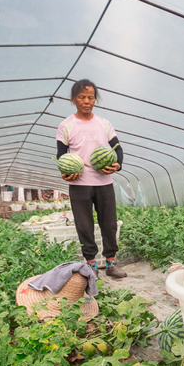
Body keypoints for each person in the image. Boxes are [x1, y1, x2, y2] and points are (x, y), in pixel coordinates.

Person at [57, 79, 127, 279]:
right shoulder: (66, 125)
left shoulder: (104, 124)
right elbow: (61, 154)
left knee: (110, 224)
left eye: (90, 97)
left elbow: (117, 149)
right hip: (79, 183)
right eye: (81, 97)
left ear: (95, 100)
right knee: (84, 225)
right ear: (73, 99)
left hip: (104, 182)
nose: (86, 101)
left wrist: (118, 164)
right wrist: (65, 171)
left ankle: (111, 264)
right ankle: (91, 266)